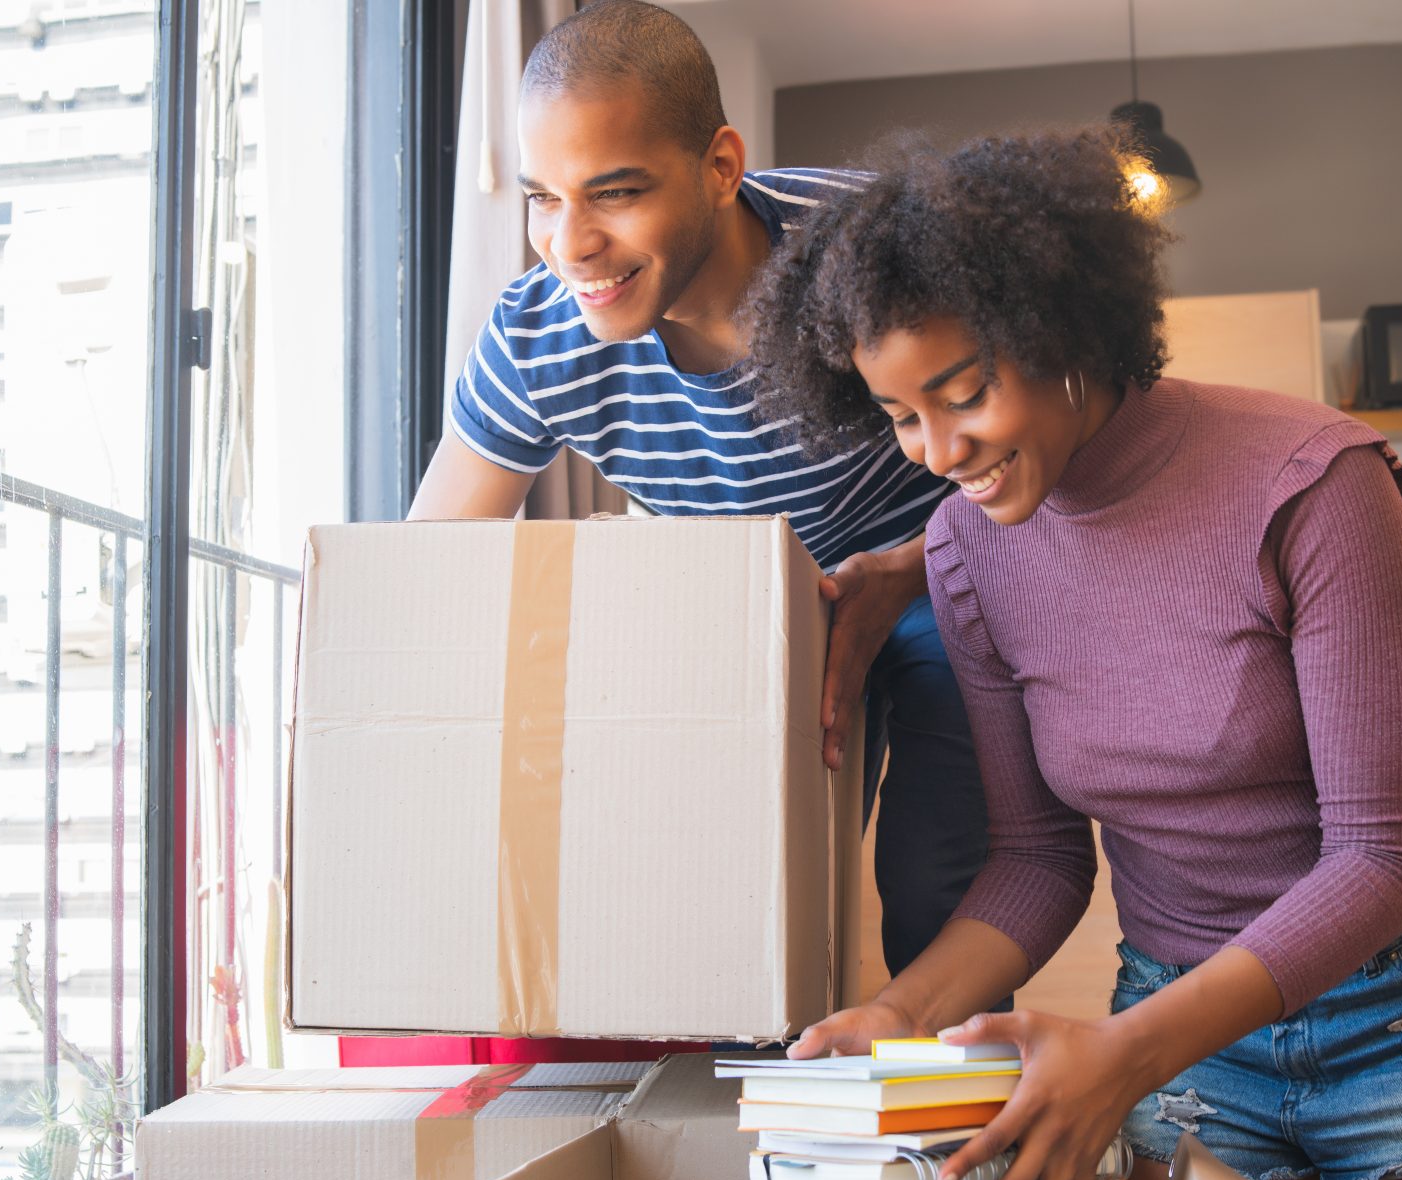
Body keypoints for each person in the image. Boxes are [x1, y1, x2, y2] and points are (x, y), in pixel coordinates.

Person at [751, 129, 1402, 1180]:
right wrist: (892, 1012)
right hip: (1182, 1009)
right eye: (897, 415)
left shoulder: (1313, 483)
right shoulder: (965, 550)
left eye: (961, 391)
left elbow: (1380, 854)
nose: (938, 451)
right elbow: (1039, 860)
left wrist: (1118, 1059)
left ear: (1059, 326)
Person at [391, 1, 988, 1065]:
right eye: (542, 199)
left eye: (614, 194)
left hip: (945, 567)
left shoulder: (874, 247)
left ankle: (943, 1142)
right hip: (751, 608)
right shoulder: (540, 336)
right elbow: (425, 574)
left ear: (719, 165)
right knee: (730, 927)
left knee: (935, 873)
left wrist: (916, 568)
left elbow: (1060, 445)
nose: (571, 244)